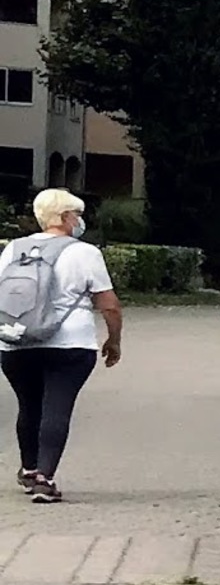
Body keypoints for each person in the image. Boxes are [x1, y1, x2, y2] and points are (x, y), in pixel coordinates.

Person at [0, 189, 123, 503]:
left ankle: (29, 469)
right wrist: (114, 340)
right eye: (77, 215)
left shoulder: (13, 249)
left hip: (17, 341)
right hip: (70, 344)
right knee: (57, 405)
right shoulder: (84, 253)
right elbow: (109, 304)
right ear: (66, 217)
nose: (80, 220)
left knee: (29, 405)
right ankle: (45, 479)